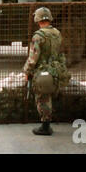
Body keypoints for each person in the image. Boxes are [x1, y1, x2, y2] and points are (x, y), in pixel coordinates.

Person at [23, 7, 70, 135]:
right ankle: (48, 123)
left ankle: (45, 126)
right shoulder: (57, 33)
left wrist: (27, 71)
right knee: (50, 95)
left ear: (37, 20)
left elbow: (33, 58)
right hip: (55, 69)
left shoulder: (38, 36)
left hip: (43, 71)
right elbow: (61, 53)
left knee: (42, 97)